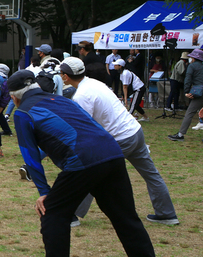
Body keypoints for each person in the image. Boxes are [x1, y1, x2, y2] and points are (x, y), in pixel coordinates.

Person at [8, 69, 172, 257]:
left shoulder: (23, 112)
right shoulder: (64, 100)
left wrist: (44, 192)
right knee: (124, 215)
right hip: (112, 152)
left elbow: (30, 156)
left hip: (81, 159)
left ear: (14, 97)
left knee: (53, 211)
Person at [59, 57, 179, 226]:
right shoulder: (94, 83)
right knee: (151, 175)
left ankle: (69, 214)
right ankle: (167, 214)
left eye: (61, 73)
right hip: (135, 131)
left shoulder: (81, 96)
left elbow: (84, 129)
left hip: (120, 138)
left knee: (90, 172)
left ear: (65, 76)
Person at [169, 48, 203, 141]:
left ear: (194, 58)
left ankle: (180, 134)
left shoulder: (192, 66)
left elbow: (188, 80)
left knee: (189, 113)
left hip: (199, 93)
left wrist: (187, 92)